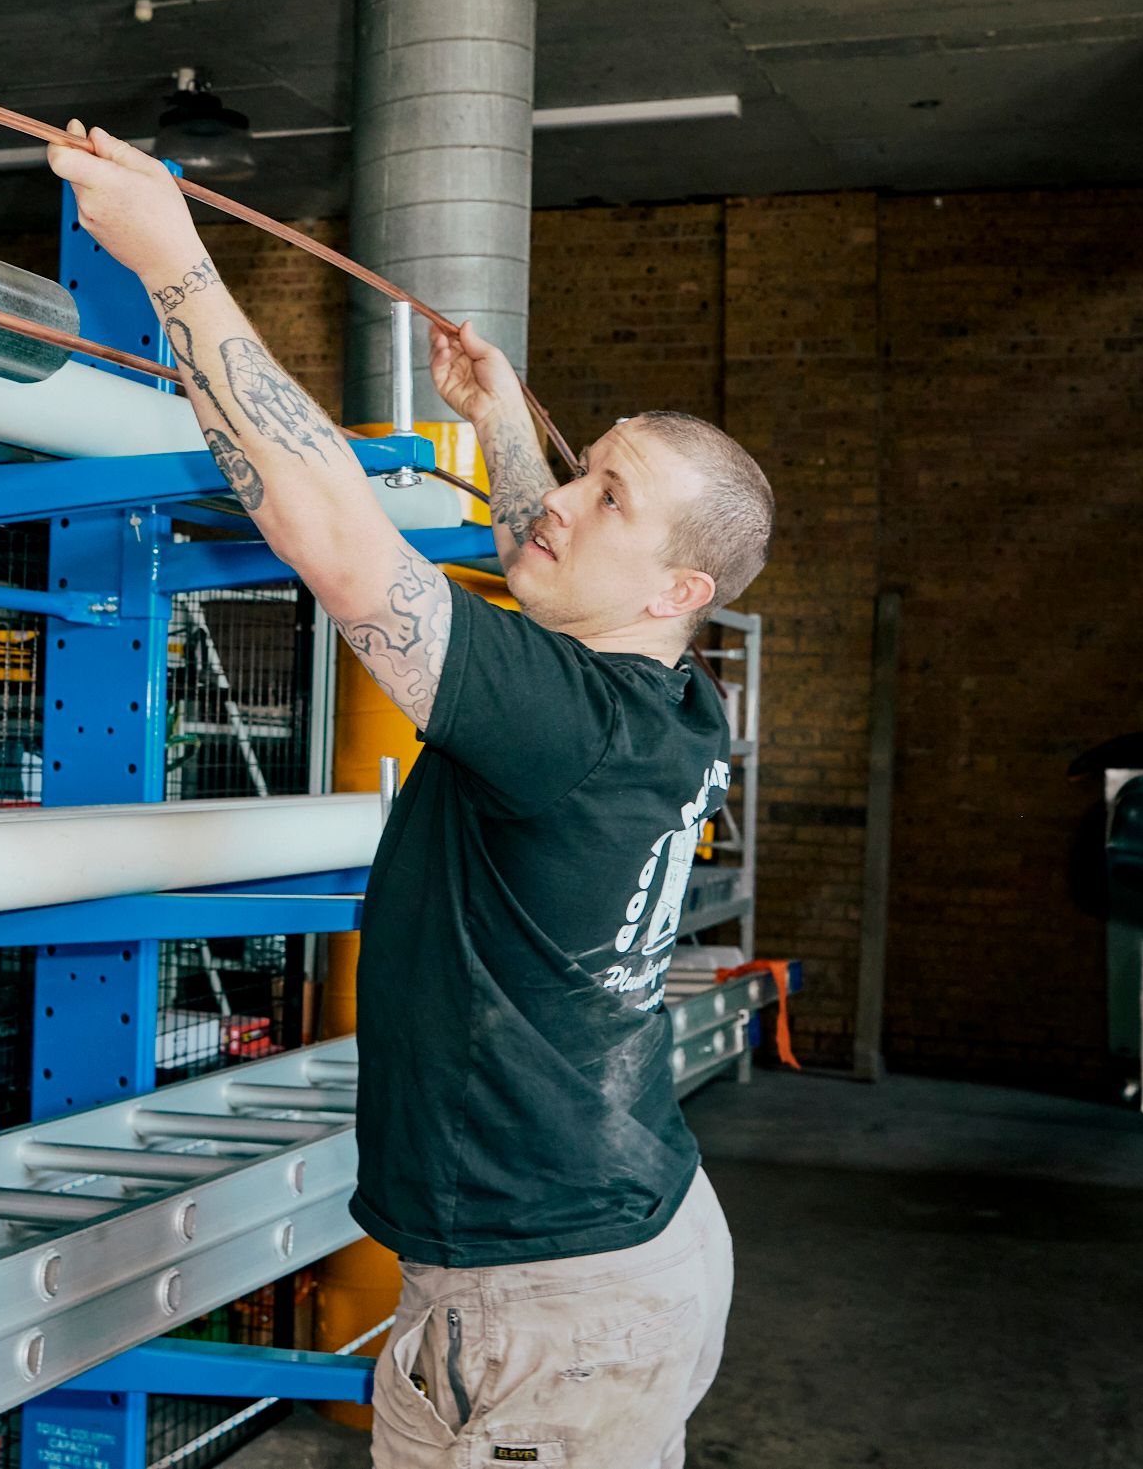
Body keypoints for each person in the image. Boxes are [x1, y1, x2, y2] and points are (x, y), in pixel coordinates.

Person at [51, 126, 776, 1469]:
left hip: (551, 1307)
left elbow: (334, 537)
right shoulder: (669, 698)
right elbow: (544, 552)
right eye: (582, 463)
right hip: (594, 1249)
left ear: (677, 591)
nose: (562, 500)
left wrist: (176, 267)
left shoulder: (564, 720)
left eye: (606, 493)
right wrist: (502, 414)